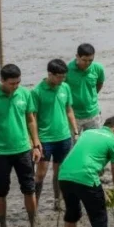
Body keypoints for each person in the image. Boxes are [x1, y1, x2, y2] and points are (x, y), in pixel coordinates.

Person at [0, 64, 44, 227]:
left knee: (29, 189)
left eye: (18, 82)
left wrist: (36, 144)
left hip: (24, 150)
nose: (15, 86)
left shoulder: (25, 93)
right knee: (1, 190)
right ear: (2, 81)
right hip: (0, 153)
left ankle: (33, 226)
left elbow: (31, 119)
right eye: (11, 83)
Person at [29, 59, 77, 210]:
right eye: (59, 77)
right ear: (50, 74)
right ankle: (34, 206)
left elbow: (69, 110)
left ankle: (58, 201)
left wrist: (74, 130)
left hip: (63, 138)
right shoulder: (37, 92)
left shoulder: (65, 87)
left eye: (64, 77)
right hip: (45, 140)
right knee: (41, 173)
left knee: (60, 172)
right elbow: (32, 118)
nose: (62, 80)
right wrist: (35, 142)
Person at [66, 43, 105, 132]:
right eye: (84, 60)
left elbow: (99, 84)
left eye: (90, 60)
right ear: (77, 56)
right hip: (74, 116)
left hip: (93, 115)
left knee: (94, 144)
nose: (87, 63)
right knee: (74, 144)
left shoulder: (98, 69)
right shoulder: (67, 70)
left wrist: (91, 97)